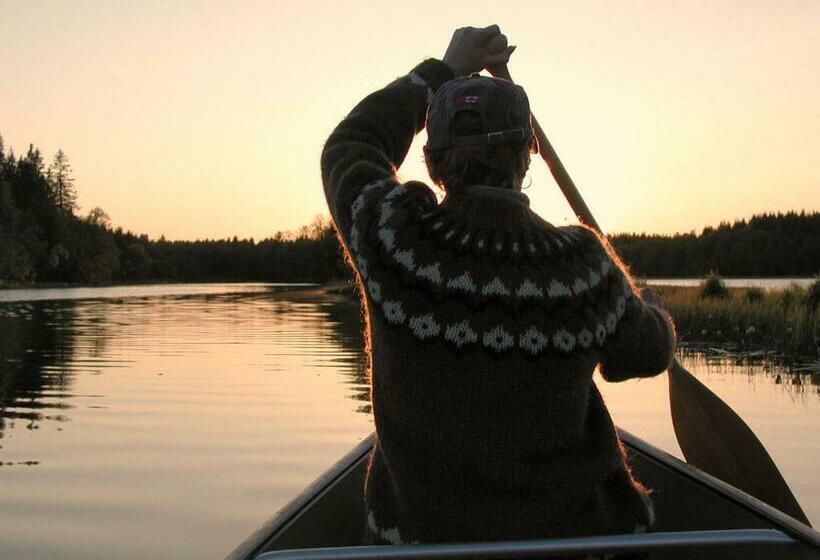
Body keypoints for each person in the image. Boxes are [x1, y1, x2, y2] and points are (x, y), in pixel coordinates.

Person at [321, 25, 676, 546]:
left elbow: (350, 145)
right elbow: (644, 353)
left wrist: (439, 73)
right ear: (526, 156)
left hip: (420, 542)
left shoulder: (395, 237)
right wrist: (652, 310)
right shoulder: (582, 264)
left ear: (431, 158)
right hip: (575, 546)